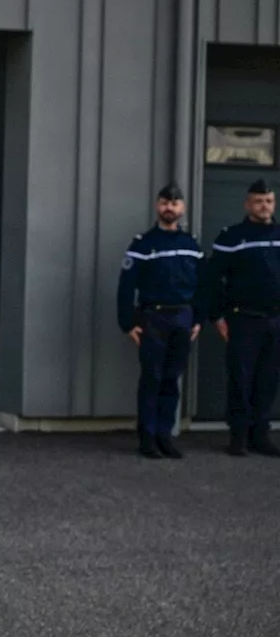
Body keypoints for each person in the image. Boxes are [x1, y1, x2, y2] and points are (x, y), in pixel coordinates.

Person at [116, 183, 203, 459]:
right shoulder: (143, 244)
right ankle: (148, 438)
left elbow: (203, 285)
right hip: (153, 316)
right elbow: (126, 285)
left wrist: (198, 318)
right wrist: (127, 322)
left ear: (182, 208)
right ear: (157, 206)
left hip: (183, 317)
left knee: (171, 379)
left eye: (175, 203)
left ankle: (165, 435)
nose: (170, 208)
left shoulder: (191, 245)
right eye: (165, 202)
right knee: (152, 377)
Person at [199, 178, 280, 457]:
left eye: (269, 201)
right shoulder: (231, 237)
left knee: (268, 380)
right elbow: (212, 280)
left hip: (276, 320)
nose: (264, 206)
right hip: (244, 319)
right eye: (258, 201)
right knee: (240, 379)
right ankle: (239, 436)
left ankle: (261, 434)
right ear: (247, 204)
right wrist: (217, 317)